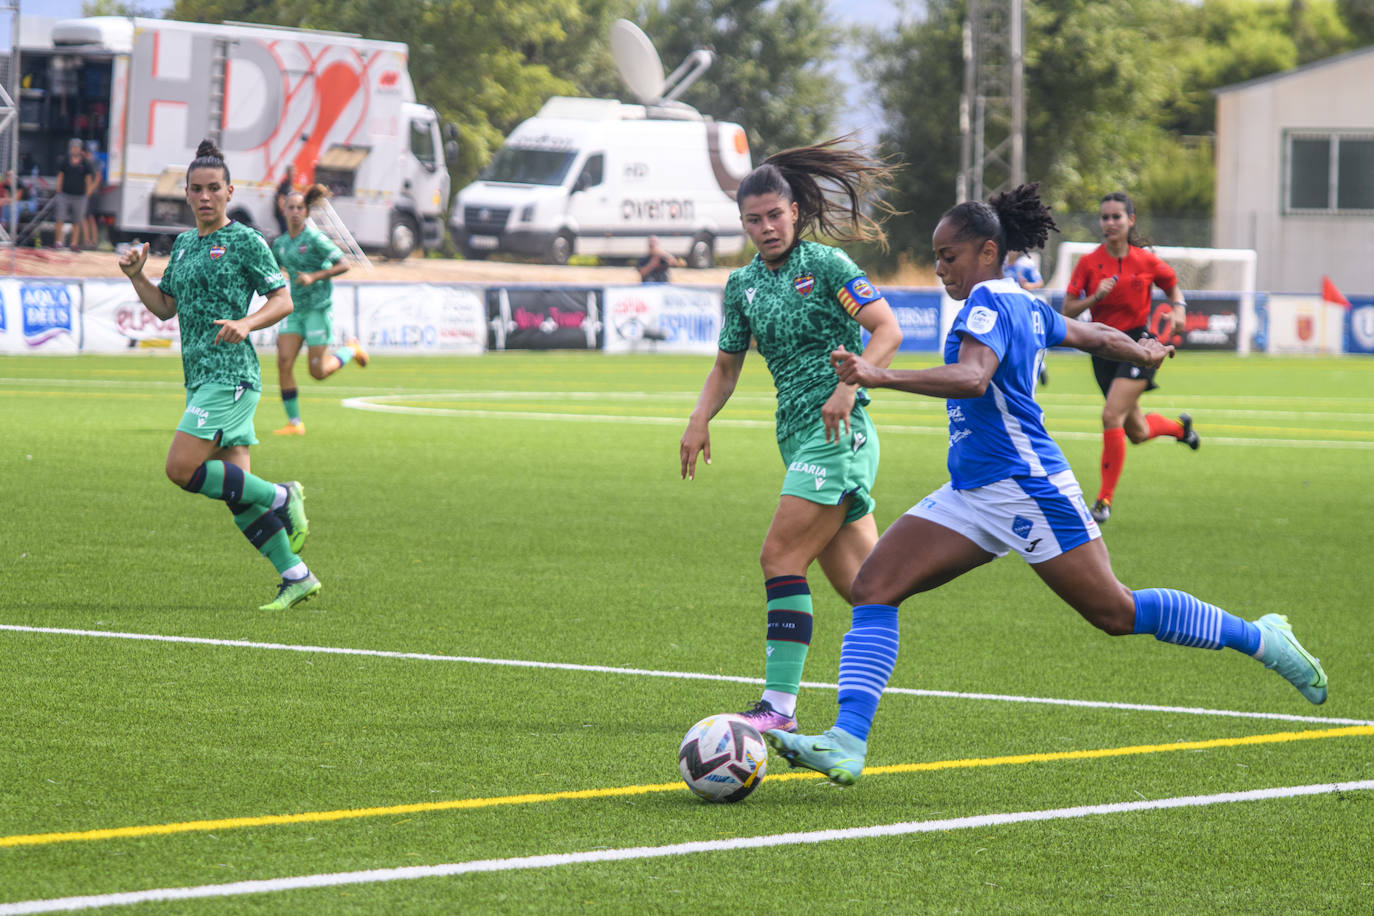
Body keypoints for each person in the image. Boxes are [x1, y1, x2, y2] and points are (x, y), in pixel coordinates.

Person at [765, 184, 1327, 787]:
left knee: (1114, 610)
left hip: (1028, 485)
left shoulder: (986, 303)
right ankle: (847, 741)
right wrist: (1141, 349)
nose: (938, 268)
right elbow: (1092, 336)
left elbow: (975, 378)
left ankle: (1263, 638)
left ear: (987, 251)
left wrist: (880, 373)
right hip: (975, 491)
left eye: (947, 255)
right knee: (874, 585)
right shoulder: (1024, 303)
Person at [679, 139, 903, 735]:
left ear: (795, 211)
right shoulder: (742, 286)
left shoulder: (827, 267)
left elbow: (886, 329)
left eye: (774, 215)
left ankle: (777, 708)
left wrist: (850, 386)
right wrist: (700, 417)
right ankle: (854, 725)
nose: (765, 227)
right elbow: (726, 367)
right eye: (753, 219)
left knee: (778, 556)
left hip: (838, 433)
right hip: (798, 440)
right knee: (868, 589)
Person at [117, 139, 322, 612]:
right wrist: (137, 277)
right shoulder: (185, 244)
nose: (205, 196)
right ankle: (297, 576)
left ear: (230, 192)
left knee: (180, 468)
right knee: (235, 494)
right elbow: (165, 308)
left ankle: (282, 494)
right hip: (200, 378)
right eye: (197, 189)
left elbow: (283, 299)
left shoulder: (246, 241)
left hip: (230, 376)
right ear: (186, 194)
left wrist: (246, 323)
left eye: (214, 188)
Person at [1062, 191, 1199, 524]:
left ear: (1130, 220)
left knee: (1111, 415)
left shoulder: (1146, 261)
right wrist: (1095, 296)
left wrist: (1179, 309)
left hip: (1139, 346)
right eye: (1104, 217)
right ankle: (1181, 430)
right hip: (1101, 347)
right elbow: (1067, 310)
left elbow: (1172, 286)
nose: (1109, 223)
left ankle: (1103, 502)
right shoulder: (1088, 262)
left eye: (1116, 217)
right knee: (1135, 431)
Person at [271, 183, 365, 436]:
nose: (294, 212)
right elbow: (271, 270)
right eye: (290, 207)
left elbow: (344, 264)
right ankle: (295, 423)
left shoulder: (314, 238)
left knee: (318, 373)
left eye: (299, 208)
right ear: (284, 210)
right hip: (295, 309)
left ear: (306, 212)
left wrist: (314, 276)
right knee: (283, 362)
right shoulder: (279, 244)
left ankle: (350, 349)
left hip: (317, 309)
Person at [54, 139, 97, 251]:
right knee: (60, 218)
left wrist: (87, 193)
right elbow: (60, 175)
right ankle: (58, 242)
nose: (75, 149)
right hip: (64, 194)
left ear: (80, 149)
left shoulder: (85, 163)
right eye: (73, 147)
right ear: (70, 148)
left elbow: (88, 178)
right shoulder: (65, 160)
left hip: (80, 196)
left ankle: (74, 244)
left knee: (77, 220)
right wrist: (58, 190)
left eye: (77, 147)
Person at [274, 164, 295, 236]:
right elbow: (280, 199)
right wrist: (283, 212)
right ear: (288, 173)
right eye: (292, 172)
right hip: (282, 214)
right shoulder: (285, 184)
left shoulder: (289, 184)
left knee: (286, 232)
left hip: (284, 213)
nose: (294, 174)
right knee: (285, 233)